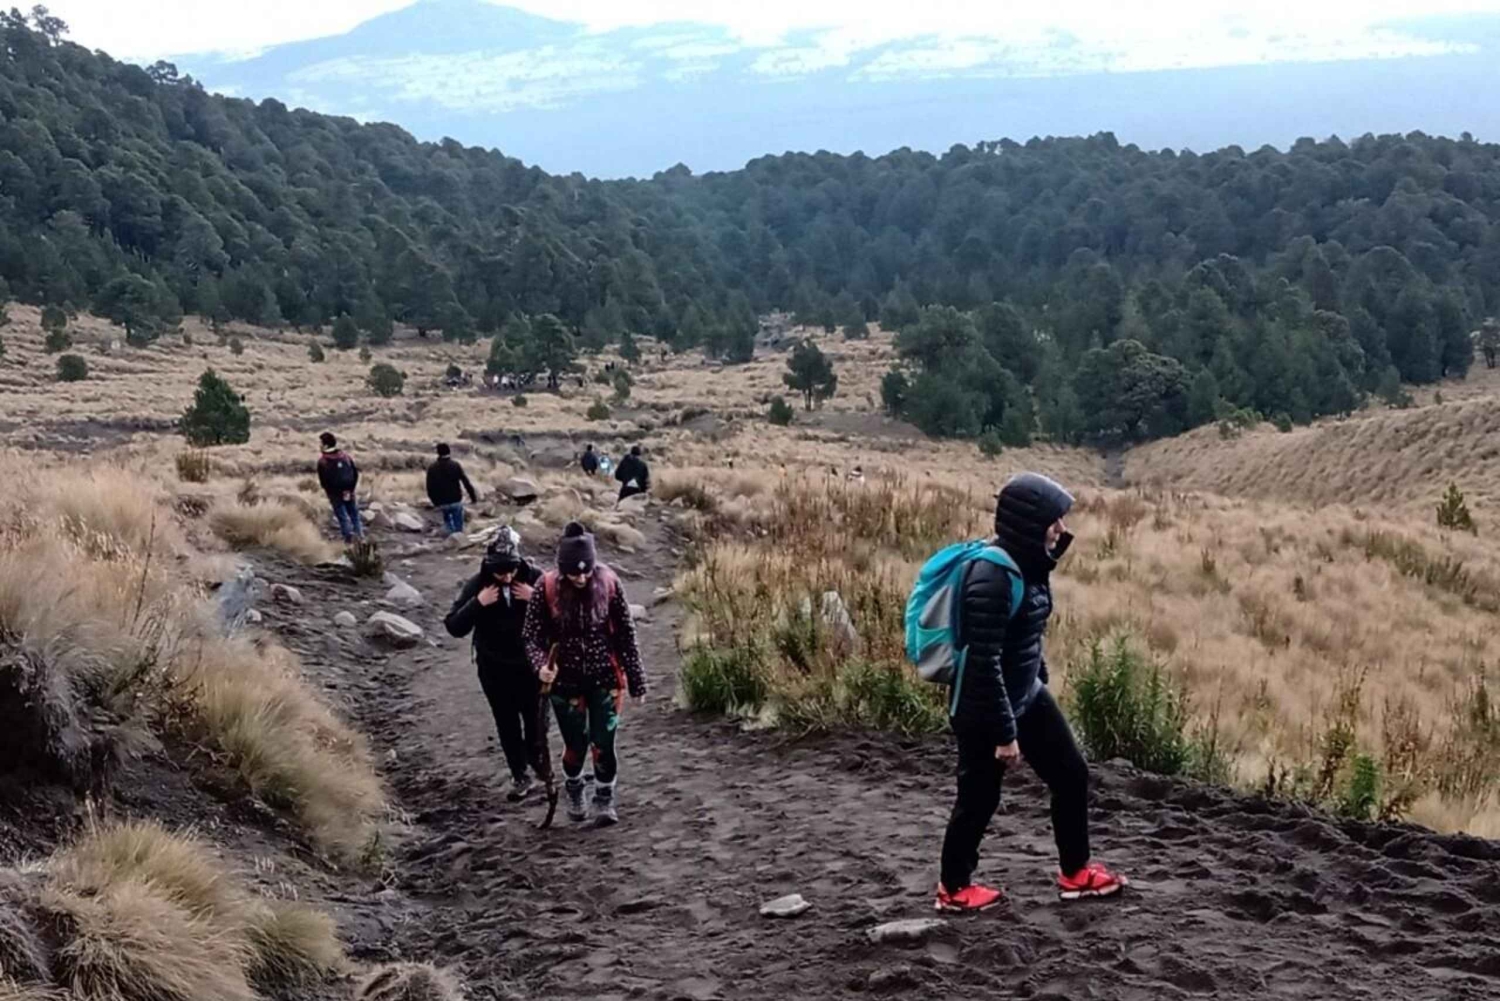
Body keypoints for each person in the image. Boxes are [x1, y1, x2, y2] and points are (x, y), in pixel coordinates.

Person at [937, 472, 1126, 912]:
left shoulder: (1029, 564)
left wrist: (1038, 677)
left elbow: (1025, 634)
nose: (1061, 529)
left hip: (1026, 693)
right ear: (1027, 522)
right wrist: (1005, 734)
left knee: (1071, 774)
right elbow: (983, 662)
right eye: (1053, 521)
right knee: (979, 798)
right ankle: (953, 888)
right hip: (984, 706)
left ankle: (1076, 873)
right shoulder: (992, 577)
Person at [522, 522, 647, 827]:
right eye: (573, 573)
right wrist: (541, 665)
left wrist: (637, 680)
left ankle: (604, 799)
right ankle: (575, 789)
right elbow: (531, 636)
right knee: (575, 744)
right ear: (562, 569)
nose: (580, 577)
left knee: (604, 742)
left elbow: (626, 635)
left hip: (606, 678)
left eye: (585, 571)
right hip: (566, 684)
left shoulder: (610, 583)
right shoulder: (546, 588)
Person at [444, 527, 545, 801]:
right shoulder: (478, 584)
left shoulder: (536, 578)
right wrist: (478, 603)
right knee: (507, 723)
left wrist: (535, 596)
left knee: (537, 722)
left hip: (532, 668)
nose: (508, 577)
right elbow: (454, 626)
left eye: (512, 570)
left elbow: (561, 615)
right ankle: (520, 775)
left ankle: (540, 768)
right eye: (501, 572)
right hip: (494, 670)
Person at [315, 432, 363, 543]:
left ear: (325, 445)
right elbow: (355, 473)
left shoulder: (323, 461)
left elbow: (323, 480)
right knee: (354, 514)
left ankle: (349, 541)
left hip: (335, 493)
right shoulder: (345, 457)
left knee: (342, 516)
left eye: (320, 443)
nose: (319, 445)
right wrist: (351, 489)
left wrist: (329, 491)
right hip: (349, 490)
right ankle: (360, 537)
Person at [426, 442, 479, 536]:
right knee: (458, 527)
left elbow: (429, 488)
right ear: (449, 452)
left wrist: (435, 502)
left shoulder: (432, 468)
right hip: (455, 501)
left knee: (448, 523)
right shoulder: (455, 465)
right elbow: (466, 482)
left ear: (438, 453)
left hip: (441, 502)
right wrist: (473, 498)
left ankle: (448, 537)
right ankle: (457, 539)